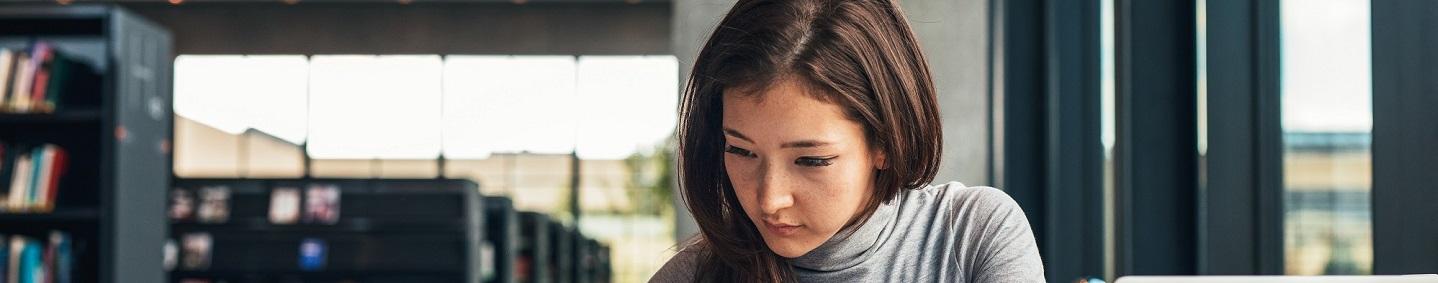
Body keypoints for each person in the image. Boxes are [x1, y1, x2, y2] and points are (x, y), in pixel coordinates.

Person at [650, 0, 1045, 281]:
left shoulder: (973, 235)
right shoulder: (693, 274)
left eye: (810, 160)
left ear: (886, 142)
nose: (769, 200)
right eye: (740, 150)